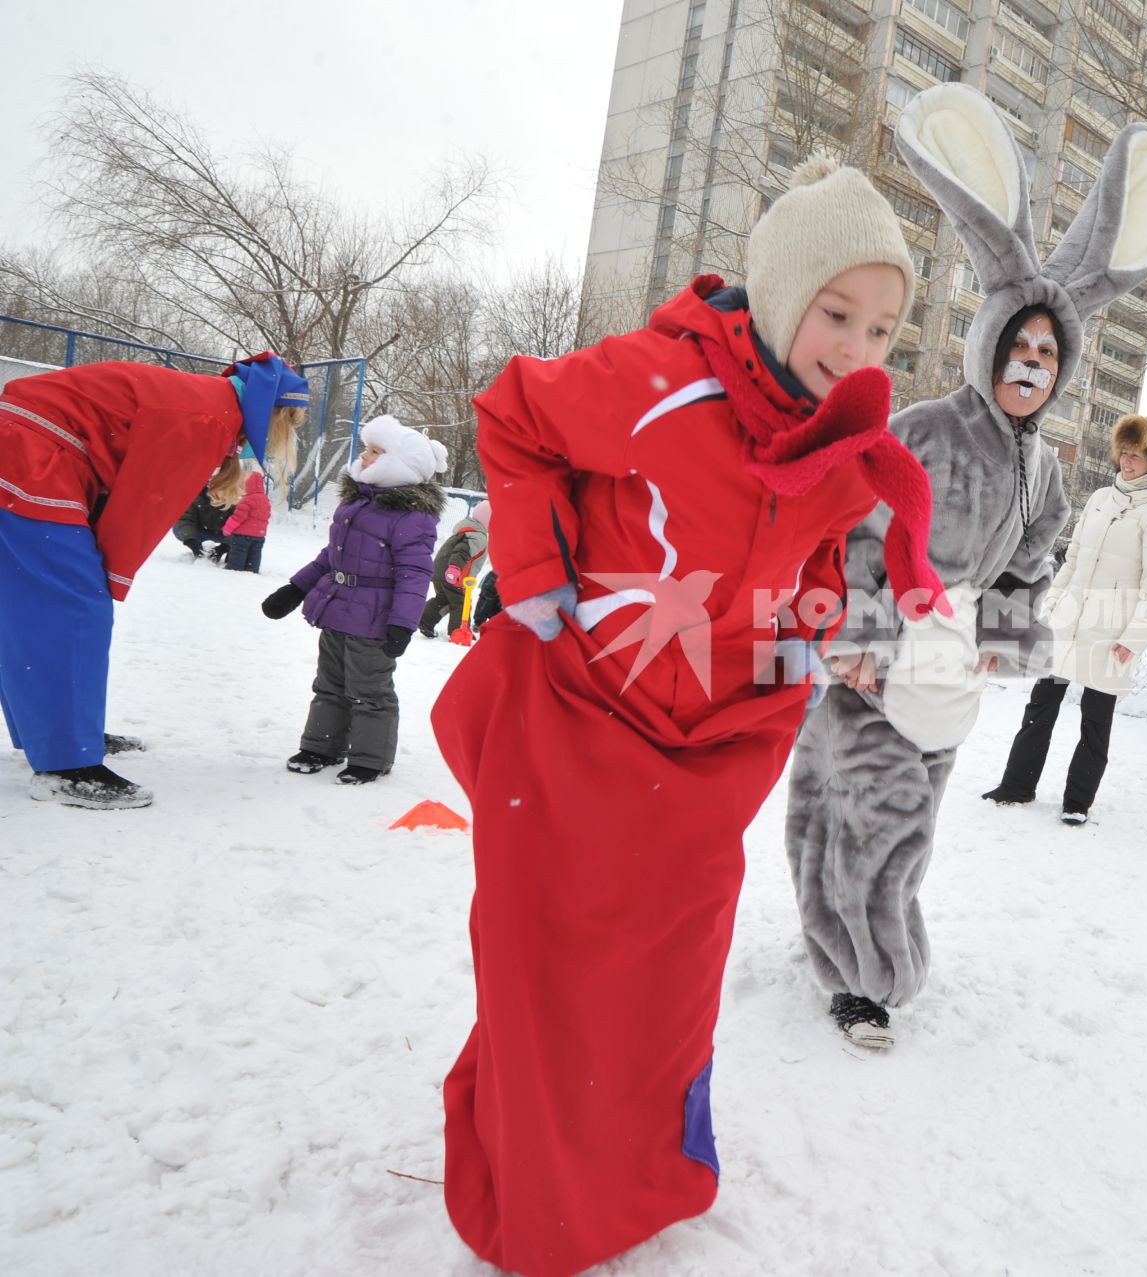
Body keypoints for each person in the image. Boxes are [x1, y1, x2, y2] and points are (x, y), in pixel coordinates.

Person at [429, 155, 947, 1277]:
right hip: (580, 709)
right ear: (777, 293)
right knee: (549, 960)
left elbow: (814, 541)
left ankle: (638, 1171)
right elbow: (512, 413)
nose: (858, 350)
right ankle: (532, 1182)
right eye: (837, 313)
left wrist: (808, 618)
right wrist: (528, 565)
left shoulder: (844, 439)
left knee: (662, 977)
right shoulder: (659, 384)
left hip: (708, 746)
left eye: (883, 329)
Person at [786, 83, 1147, 1050]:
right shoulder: (923, 429)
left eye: (1050, 353)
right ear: (989, 345)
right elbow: (854, 532)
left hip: (949, 662)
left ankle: (843, 947)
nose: (1033, 363)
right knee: (862, 807)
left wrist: (1001, 637)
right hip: (879, 655)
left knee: (898, 810)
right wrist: (855, 638)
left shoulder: (1043, 464)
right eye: (1020, 344)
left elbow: (1032, 561)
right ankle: (865, 978)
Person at [0, 354, 304, 809]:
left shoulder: (208, 401)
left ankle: (57, 732)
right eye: (290, 423)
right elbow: (141, 507)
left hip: (25, 447)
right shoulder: (207, 415)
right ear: (275, 415)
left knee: (29, 609)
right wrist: (105, 577)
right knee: (76, 607)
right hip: (29, 456)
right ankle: (66, 764)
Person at [983, 413, 1147, 823]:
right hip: (1067, 622)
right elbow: (1071, 562)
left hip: (1110, 631)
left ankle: (1077, 802)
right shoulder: (1099, 500)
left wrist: (1135, 636)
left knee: (1095, 720)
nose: (1127, 462)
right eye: (1123, 453)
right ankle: (1017, 785)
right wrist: (1050, 607)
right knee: (1040, 705)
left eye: (1137, 455)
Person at [260, 416, 444, 784]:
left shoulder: (411, 517)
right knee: (328, 683)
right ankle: (321, 746)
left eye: (376, 451)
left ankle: (370, 759)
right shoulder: (358, 503)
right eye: (367, 448)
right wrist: (296, 589)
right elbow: (333, 555)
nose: (365, 455)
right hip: (337, 608)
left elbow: (415, 574)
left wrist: (403, 623)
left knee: (369, 691)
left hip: (375, 620)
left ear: (400, 464)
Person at [418, 499, 490, 638]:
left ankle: (425, 620)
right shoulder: (477, 536)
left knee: (443, 599)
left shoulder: (465, 530)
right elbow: (461, 552)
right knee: (460, 603)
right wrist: (454, 568)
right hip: (453, 575)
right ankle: (459, 632)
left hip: (440, 571)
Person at [174, 463, 245, 561]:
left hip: (223, 533)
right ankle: (198, 545)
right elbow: (186, 519)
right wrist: (191, 541)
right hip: (201, 530)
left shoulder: (234, 497)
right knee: (178, 529)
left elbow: (240, 525)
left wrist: (225, 546)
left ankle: (229, 549)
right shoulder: (195, 494)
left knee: (243, 534)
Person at [220, 469, 271, 573]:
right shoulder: (265, 499)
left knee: (239, 552)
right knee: (255, 553)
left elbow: (238, 517)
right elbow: (267, 515)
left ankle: (235, 569)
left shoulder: (247, 500)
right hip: (259, 535)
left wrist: (228, 528)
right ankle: (252, 569)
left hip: (243, 535)